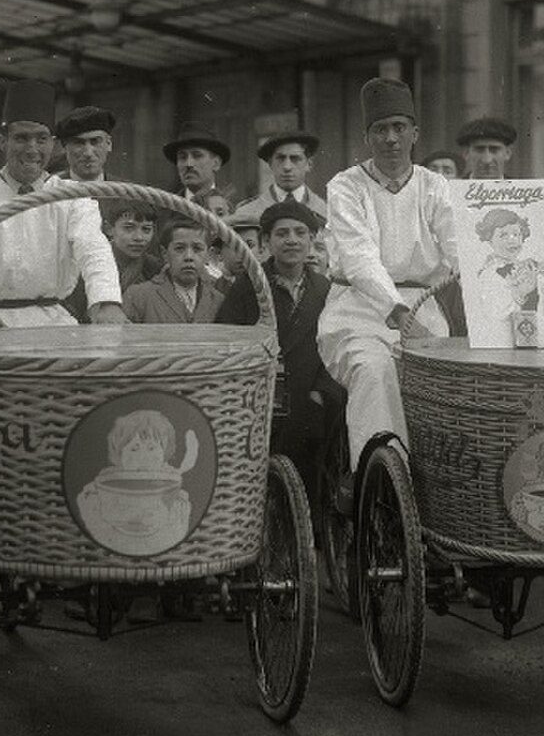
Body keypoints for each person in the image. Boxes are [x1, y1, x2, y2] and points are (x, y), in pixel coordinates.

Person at [318, 78, 458, 478]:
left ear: (415, 133)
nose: (391, 138)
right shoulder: (346, 187)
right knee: (375, 371)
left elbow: (457, 245)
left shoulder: (435, 187)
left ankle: (441, 488)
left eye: (400, 127)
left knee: (450, 384)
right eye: (381, 129)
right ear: (367, 137)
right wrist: (396, 311)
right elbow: (360, 258)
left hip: (424, 314)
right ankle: (380, 485)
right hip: (357, 313)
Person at [0, 79, 125, 331]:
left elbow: (93, 248)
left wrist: (106, 303)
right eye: (21, 138)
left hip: (52, 323)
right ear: (2, 142)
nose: (32, 149)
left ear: (52, 143)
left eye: (41, 139)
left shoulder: (72, 195)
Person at [217, 200, 342, 508]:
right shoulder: (249, 286)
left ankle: (313, 541)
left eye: (300, 233)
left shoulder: (326, 290)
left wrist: (322, 393)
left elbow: (339, 344)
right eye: (282, 233)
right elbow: (227, 341)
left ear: (311, 240)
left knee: (314, 482)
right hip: (262, 405)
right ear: (266, 242)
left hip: (312, 402)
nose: (292, 240)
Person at [123, 215, 225, 323]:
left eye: (197, 249)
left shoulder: (218, 301)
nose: (188, 256)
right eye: (179, 248)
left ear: (208, 255)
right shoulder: (138, 296)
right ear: (165, 253)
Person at [234, 132, 330, 227]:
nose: (287, 167)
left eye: (295, 158)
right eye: (280, 158)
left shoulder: (327, 212)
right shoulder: (246, 212)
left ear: (309, 164)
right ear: (270, 164)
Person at [162, 122, 230, 203]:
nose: (189, 164)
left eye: (197, 156)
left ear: (216, 164)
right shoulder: (164, 211)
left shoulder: (237, 211)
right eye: (182, 157)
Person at [102, 201, 160, 293]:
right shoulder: (90, 264)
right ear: (109, 229)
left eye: (146, 229)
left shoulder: (156, 269)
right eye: (129, 228)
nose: (139, 237)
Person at [55, 105, 117, 183]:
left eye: (95, 142)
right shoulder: (49, 188)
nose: (88, 153)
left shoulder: (126, 192)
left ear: (109, 144)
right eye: (79, 143)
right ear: (64, 147)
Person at [456, 116, 516, 181]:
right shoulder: (453, 189)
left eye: (494, 150)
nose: (487, 160)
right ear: (466, 153)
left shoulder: (523, 188)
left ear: (507, 153)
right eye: (479, 150)